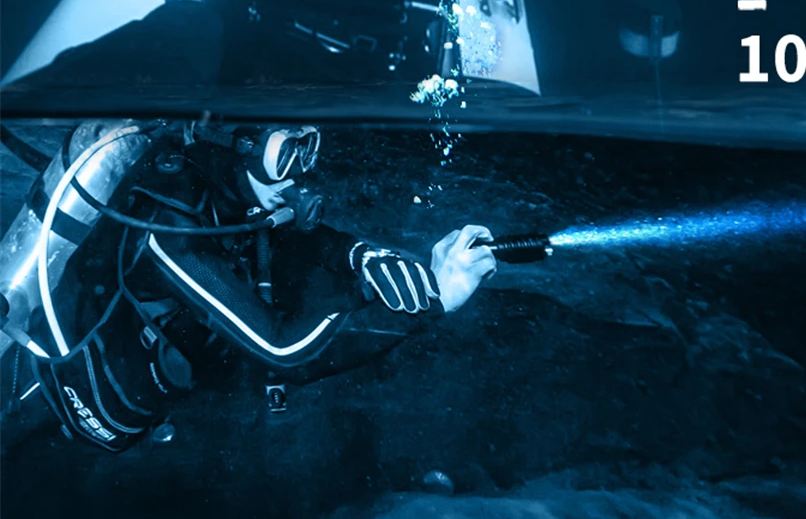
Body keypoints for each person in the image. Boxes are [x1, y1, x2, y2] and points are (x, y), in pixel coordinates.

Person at [5, 119, 495, 452]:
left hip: (178, 354)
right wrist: (436, 301)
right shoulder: (172, 236)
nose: (301, 171)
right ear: (234, 143)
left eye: (308, 147)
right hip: (98, 383)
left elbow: (290, 235)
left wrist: (361, 255)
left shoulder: (221, 187)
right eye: (287, 154)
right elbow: (284, 352)